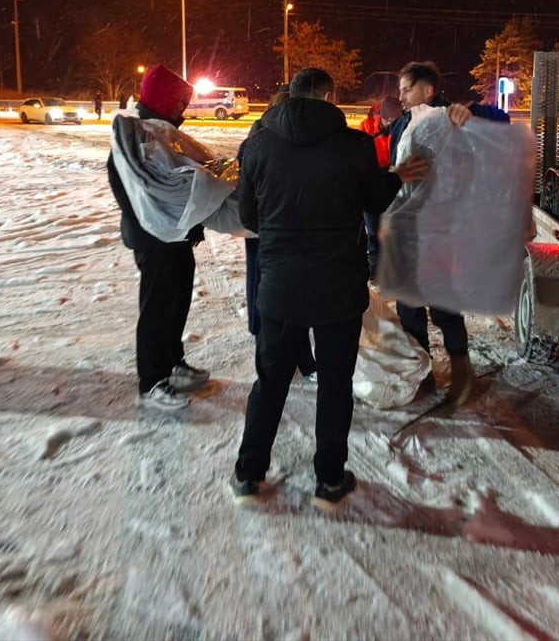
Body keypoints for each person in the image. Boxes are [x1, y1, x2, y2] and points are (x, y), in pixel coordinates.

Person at [232, 68, 426, 510]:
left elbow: (248, 216)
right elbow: (376, 200)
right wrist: (396, 175)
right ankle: (329, 481)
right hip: (337, 288)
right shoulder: (352, 146)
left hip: (279, 286)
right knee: (335, 384)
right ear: (328, 94)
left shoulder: (258, 145)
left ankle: (248, 474)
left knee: (270, 383)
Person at [387, 60, 510, 407]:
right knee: (409, 306)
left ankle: (462, 374)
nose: (401, 96)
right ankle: (422, 374)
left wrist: (474, 111)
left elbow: (499, 124)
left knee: (444, 306)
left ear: (427, 90)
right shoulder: (404, 124)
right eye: (399, 90)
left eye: (406, 89)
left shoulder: (454, 119)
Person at [107, 64, 211, 411]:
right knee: (156, 308)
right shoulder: (134, 138)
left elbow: (182, 183)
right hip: (153, 238)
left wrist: (191, 219)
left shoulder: (163, 133)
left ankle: (172, 362)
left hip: (176, 236)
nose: (184, 108)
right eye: (180, 101)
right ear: (165, 99)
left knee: (178, 300)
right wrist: (162, 220)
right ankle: (151, 380)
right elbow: (137, 192)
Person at [242, 87, 317, 382]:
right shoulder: (261, 143)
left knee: (286, 298)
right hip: (270, 235)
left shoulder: (263, 141)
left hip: (275, 233)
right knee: (273, 298)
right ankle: (277, 364)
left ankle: (292, 360)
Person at [359, 96, 403, 277]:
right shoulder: (367, 127)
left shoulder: (402, 126)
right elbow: (362, 157)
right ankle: (375, 265)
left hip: (394, 182)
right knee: (374, 228)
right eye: (388, 120)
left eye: (395, 121)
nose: (391, 124)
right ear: (381, 117)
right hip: (373, 181)